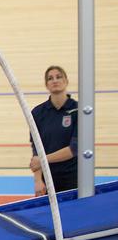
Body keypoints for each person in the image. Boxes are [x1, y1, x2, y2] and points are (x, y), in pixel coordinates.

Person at [29, 65, 78, 196]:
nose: (55, 80)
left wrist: (42, 160)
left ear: (66, 81)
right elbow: (36, 150)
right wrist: (38, 180)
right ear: (46, 85)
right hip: (48, 179)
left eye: (59, 77)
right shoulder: (37, 113)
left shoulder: (78, 110)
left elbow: (74, 149)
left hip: (73, 178)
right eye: (50, 78)